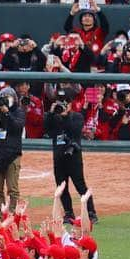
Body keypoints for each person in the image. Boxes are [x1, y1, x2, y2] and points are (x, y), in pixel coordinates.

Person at [44, 91, 98, 225]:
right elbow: (47, 130)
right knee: (62, 187)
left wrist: (65, 116)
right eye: (60, 102)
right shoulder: (54, 118)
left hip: (73, 158)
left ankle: (91, 212)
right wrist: (51, 113)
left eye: (65, 102)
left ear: (70, 104)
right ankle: (68, 213)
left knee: (80, 186)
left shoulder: (77, 117)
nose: (63, 105)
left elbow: (74, 130)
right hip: (59, 157)